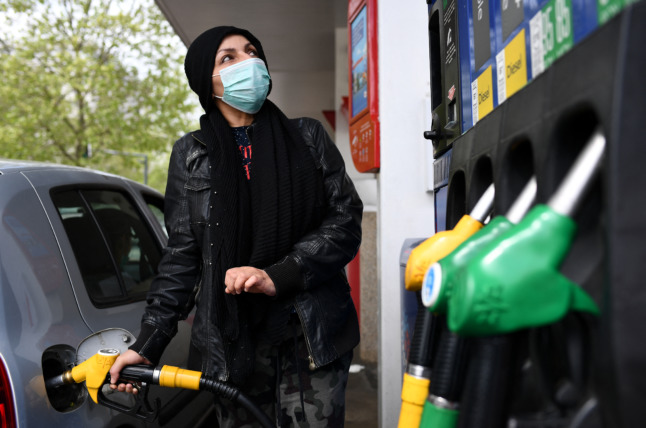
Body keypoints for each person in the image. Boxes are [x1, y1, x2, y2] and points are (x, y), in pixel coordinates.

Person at [109, 25, 363, 427]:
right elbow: (182, 257)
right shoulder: (191, 154)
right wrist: (149, 343)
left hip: (310, 337)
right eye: (229, 58)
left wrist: (277, 275)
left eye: (252, 51)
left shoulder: (308, 137)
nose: (249, 62)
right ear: (205, 82)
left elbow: (345, 221)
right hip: (232, 344)